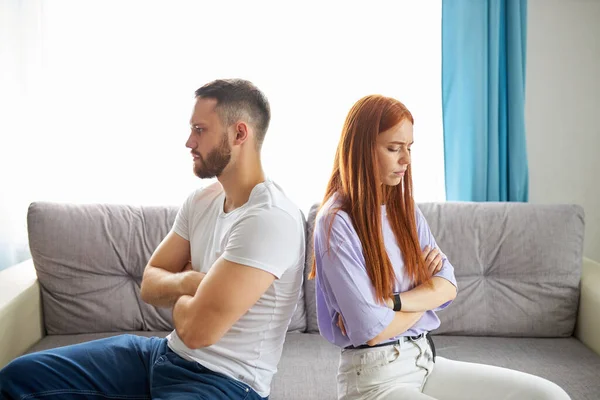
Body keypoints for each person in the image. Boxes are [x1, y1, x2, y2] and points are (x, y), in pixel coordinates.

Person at [0, 79, 305, 400]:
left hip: (227, 382)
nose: (189, 141)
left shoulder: (270, 218)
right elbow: (150, 283)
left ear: (239, 133)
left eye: (200, 129)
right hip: (163, 354)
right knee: (16, 379)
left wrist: (179, 295)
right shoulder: (201, 202)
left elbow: (199, 331)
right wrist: (189, 282)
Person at [309, 94, 570, 400]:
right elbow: (372, 332)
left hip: (425, 362)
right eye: (394, 148)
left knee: (548, 396)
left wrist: (391, 303)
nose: (406, 160)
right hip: (375, 380)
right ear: (362, 149)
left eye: (409, 148)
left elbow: (447, 286)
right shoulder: (336, 223)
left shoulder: (404, 211)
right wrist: (423, 297)